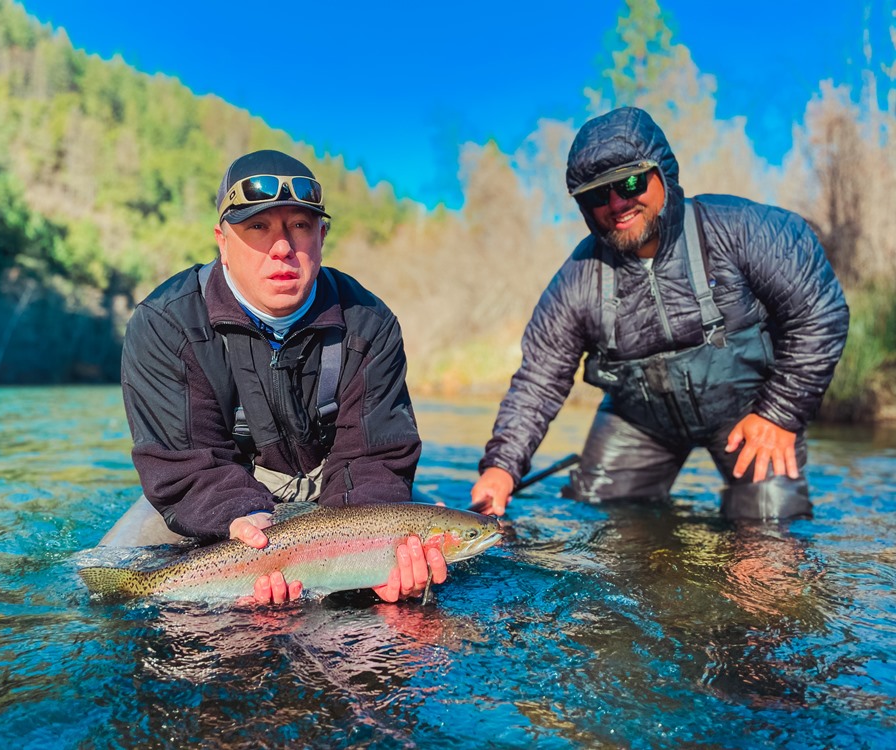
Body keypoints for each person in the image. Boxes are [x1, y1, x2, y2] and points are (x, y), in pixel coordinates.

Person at [470, 107, 849, 520]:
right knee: (597, 531)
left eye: (630, 182)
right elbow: (538, 380)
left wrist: (780, 414)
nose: (617, 203)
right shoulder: (577, 280)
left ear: (663, 173)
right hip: (640, 422)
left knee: (768, 548)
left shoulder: (745, 229)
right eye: (598, 194)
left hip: (752, 409)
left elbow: (819, 313)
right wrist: (500, 468)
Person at [113, 149, 446, 604]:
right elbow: (184, 463)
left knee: (415, 580)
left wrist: (376, 561)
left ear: (322, 236)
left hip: (339, 499)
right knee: (120, 583)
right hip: (210, 498)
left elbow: (375, 456)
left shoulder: (369, 323)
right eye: (258, 227)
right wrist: (244, 522)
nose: (282, 248)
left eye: (300, 226)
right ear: (222, 242)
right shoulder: (165, 325)